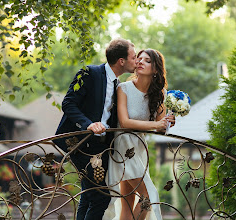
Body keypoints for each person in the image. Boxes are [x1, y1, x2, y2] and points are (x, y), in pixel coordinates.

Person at [53, 38, 137, 220]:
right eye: (133, 56)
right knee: (100, 198)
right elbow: (68, 103)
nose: (136, 60)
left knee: (88, 197)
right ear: (121, 61)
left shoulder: (120, 85)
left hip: (103, 147)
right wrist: (88, 124)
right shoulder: (89, 73)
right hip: (80, 142)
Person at [104, 49, 175, 220]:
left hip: (139, 148)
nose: (140, 62)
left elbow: (160, 126)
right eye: (139, 58)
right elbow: (125, 122)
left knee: (127, 206)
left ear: (156, 69)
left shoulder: (160, 94)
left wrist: (169, 121)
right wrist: (156, 124)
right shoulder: (124, 88)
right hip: (123, 146)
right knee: (148, 198)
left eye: (147, 60)